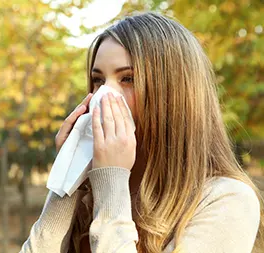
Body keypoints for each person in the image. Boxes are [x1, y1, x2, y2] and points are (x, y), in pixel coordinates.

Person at [20, 12, 263, 253]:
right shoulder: (89, 194)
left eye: (128, 79)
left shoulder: (227, 200)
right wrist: (69, 175)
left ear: (174, 94)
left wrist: (112, 178)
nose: (104, 95)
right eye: (98, 80)